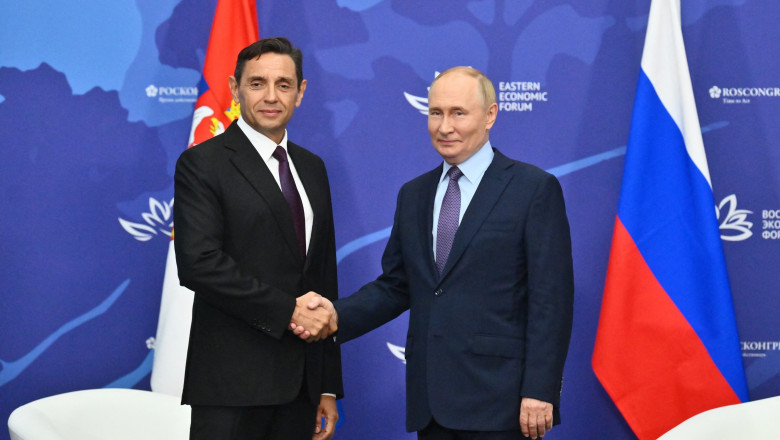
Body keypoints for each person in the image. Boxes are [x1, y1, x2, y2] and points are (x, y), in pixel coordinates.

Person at [293, 66, 574, 439]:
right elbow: (396, 286)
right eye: (436, 113)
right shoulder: (414, 194)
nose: (444, 127)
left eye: (459, 113)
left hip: (502, 403)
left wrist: (539, 389)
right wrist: (334, 315)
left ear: (490, 116)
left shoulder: (533, 189)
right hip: (431, 405)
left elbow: (550, 301)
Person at [173, 37, 342, 440]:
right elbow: (199, 264)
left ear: (300, 93)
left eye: (283, 85)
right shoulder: (202, 163)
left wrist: (326, 385)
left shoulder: (312, 168)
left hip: (301, 387)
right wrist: (289, 311)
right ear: (234, 89)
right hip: (231, 387)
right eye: (257, 83)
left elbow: (321, 278)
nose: (271, 96)